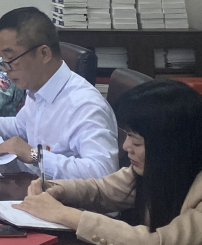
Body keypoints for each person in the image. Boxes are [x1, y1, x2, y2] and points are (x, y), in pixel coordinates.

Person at [14, 81, 202, 245]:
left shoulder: (85, 103)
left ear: (170, 145)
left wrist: (64, 214)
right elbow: (101, 190)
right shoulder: (159, 168)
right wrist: (58, 189)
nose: (126, 146)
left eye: (136, 142)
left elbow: (155, 241)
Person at [0, 7, 118, 179]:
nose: (5, 69)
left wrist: (35, 156)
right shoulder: (37, 88)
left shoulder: (85, 105)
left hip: (61, 194)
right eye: (1, 60)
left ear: (44, 54)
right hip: (32, 187)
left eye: (10, 59)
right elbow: (20, 126)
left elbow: (104, 172)